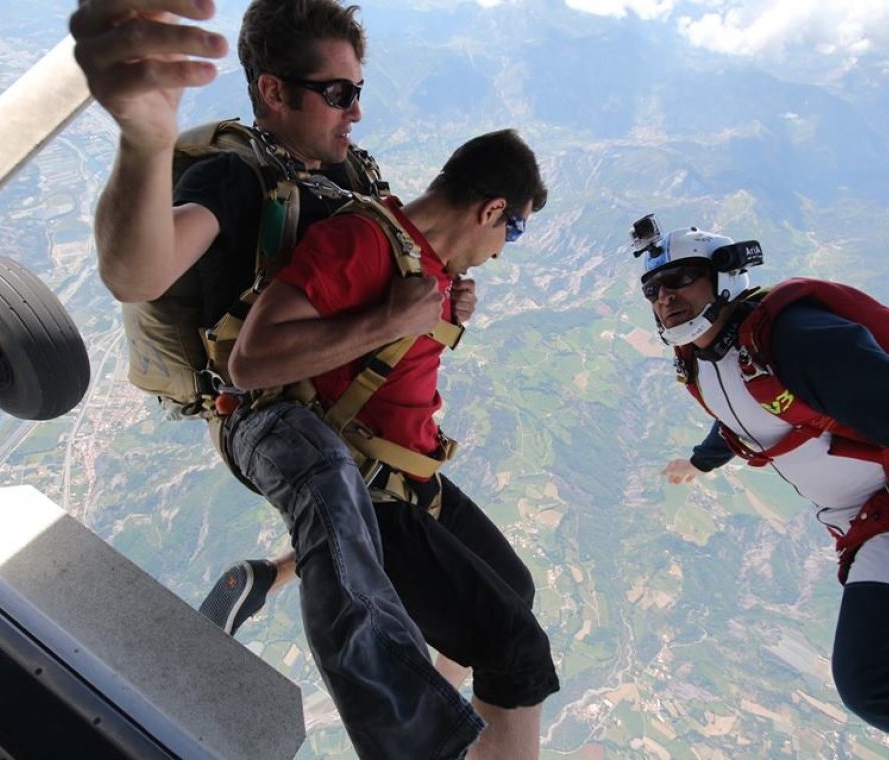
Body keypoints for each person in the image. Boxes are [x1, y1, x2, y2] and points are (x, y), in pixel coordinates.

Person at [223, 129, 560, 758]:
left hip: (412, 475)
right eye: (512, 231)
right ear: (491, 210)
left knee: (514, 590)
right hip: (371, 488)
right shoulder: (362, 241)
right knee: (517, 654)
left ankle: (276, 581)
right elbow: (250, 361)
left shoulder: (424, 264)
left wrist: (441, 315)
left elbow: (390, 356)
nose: (503, 250)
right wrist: (391, 320)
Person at [631, 214, 889, 732]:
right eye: (653, 288)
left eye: (680, 278)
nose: (664, 297)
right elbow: (742, 417)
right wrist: (700, 463)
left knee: (868, 681)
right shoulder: (702, 360)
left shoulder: (797, 340)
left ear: (725, 275)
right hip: (865, 525)